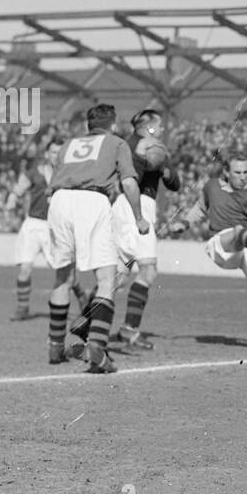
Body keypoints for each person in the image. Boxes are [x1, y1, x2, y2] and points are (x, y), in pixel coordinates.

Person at [45, 104, 148, 373]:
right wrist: (139, 217)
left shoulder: (68, 144)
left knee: (62, 278)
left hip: (59, 200)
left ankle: (55, 346)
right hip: (92, 200)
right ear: (113, 125)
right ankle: (98, 350)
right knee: (105, 278)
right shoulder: (116, 142)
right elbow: (128, 183)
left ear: (88, 126)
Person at [180, 153, 247, 350]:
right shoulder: (212, 186)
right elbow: (201, 208)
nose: (243, 176)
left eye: (246, 172)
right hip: (221, 242)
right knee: (238, 231)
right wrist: (185, 223)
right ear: (227, 172)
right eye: (238, 172)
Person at [109, 108, 181, 349]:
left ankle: (87, 324)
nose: (161, 130)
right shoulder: (140, 146)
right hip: (137, 206)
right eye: (158, 126)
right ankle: (129, 329)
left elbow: (174, 183)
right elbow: (131, 179)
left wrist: (163, 167)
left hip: (122, 208)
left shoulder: (133, 145)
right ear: (149, 127)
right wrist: (144, 161)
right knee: (148, 271)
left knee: (118, 275)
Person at [4, 141, 60, 320]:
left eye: (59, 152)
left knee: (64, 269)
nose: (56, 156)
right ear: (47, 154)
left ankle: (82, 298)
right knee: (25, 268)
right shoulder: (35, 172)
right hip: (34, 224)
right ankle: (22, 308)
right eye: (53, 152)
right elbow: (21, 185)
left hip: (55, 227)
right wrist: (13, 197)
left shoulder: (67, 174)